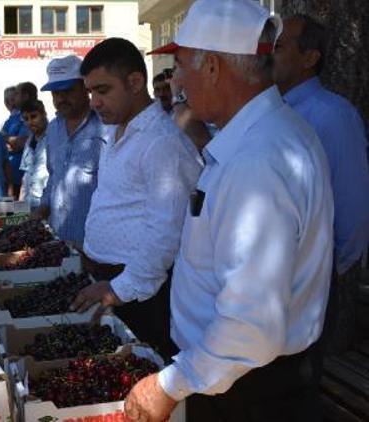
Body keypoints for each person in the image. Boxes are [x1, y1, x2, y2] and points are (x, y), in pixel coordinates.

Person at [125, 1, 334, 421]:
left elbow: (250, 327)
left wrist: (170, 385)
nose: (176, 82)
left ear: (215, 68)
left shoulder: (258, 159)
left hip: (246, 389)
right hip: (233, 376)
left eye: (181, 66)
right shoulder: (263, 138)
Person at [71, 38, 202, 360]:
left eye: (102, 90)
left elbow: (166, 233)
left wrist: (120, 288)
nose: (95, 102)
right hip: (113, 282)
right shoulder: (119, 132)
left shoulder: (162, 143)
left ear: (135, 82)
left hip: (141, 291)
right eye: (90, 93)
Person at [273, 15, 369, 299]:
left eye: (278, 47)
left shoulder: (333, 116)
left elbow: (352, 208)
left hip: (316, 283)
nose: (267, 56)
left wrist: (333, 270)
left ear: (309, 58)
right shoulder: (274, 112)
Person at [35, 55, 104, 245]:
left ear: (85, 87)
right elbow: (54, 176)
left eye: (67, 91)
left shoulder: (105, 125)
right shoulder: (53, 129)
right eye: (56, 93)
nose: (61, 98)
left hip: (96, 242)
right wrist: (44, 207)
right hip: (60, 239)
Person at [2, 82, 38, 198]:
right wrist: (8, 141)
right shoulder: (14, 117)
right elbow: (1, 144)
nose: (13, 98)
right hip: (13, 178)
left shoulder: (34, 115)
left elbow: (21, 143)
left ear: (25, 96)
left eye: (16, 94)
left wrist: (6, 138)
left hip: (26, 178)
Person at [18, 99, 49, 209]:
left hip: (46, 203)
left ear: (44, 114)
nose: (30, 122)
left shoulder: (55, 137)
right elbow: (25, 176)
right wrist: (20, 206)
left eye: (34, 116)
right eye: (26, 119)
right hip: (28, 202)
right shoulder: (29, 141)